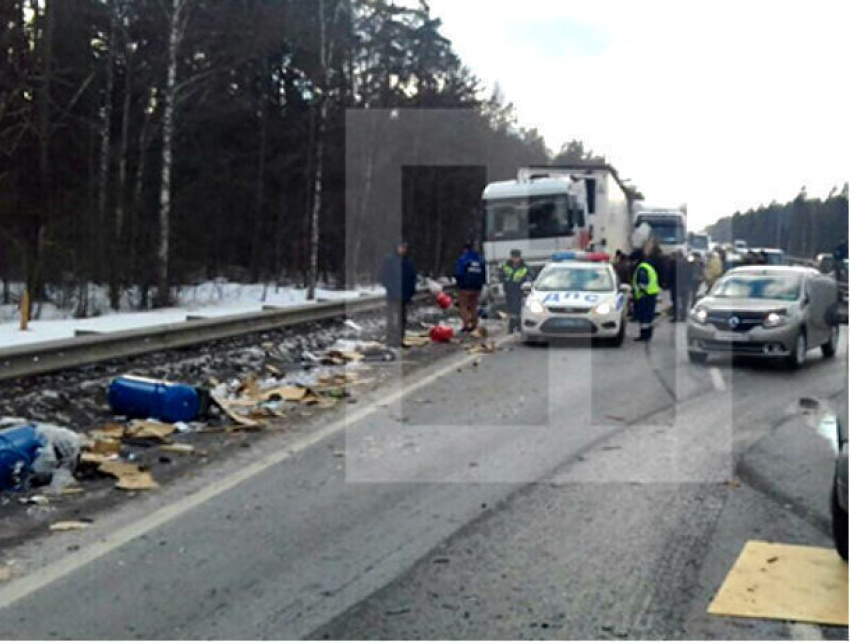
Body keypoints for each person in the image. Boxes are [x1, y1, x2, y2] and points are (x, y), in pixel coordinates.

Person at [381, 240, 416, 347]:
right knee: (391, 318)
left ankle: (400, 340)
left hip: (404, 294)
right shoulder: (390, 260)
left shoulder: (408, 262)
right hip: (392, 294)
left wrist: (411, 292)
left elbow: (412, 278)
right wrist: (390, 287)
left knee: (402, 319)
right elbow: (384, 276)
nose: (403, 250)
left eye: (405, 248)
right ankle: (390, 339)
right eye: (401, 247)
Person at [454, 240, 486, 332]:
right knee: (473, 306)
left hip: (465, 286)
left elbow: (459, 273)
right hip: (477, 287)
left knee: (463, 305)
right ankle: (475, 324)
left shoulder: (463, 259)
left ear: (465, 249)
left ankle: (465, 325)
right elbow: (484, 273)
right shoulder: (480, 259)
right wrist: (482, 284)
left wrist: (459, 283)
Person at [631, 249, 661, 342]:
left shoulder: (642, 268)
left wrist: (641, 292)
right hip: (651, 294)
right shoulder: (649, 266)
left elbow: (643, 282)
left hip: (645, 296)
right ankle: (647, 334)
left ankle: (644, 335)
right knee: (648, 317)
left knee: (644, 317)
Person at [500, 249, 530, 333]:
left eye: (517, 257)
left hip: (520, 291)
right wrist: (504, 280)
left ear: (520, 257)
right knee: (511, 310)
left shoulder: (524, 267)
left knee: (519, 310)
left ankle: (519, 326)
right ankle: (511, 327)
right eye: (514, 257)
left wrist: (526, 283)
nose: (515, 259)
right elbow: (501, 275)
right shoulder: (506, 266)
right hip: (509, 291)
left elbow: (530, 276)